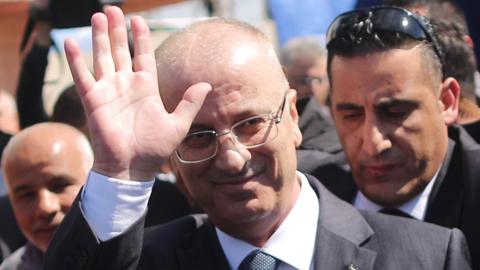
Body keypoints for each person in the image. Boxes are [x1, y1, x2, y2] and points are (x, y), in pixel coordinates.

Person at [44, 6, 471, 270]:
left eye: (250, 124)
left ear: (291, 115)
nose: (231, 158)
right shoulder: (146, 260)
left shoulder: (428, 256)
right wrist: (120, 171)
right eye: (198, 135)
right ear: (170, 153)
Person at [313, 4, 480, 269]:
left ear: (447, 102)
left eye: (395, 112)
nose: (373, 143)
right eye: (351, 115)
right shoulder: (305, 195)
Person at [0, 123, 93, 270]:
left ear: (94, 181)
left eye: (59, 186)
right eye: (27, 195)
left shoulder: (136, 260)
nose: (45, 207)